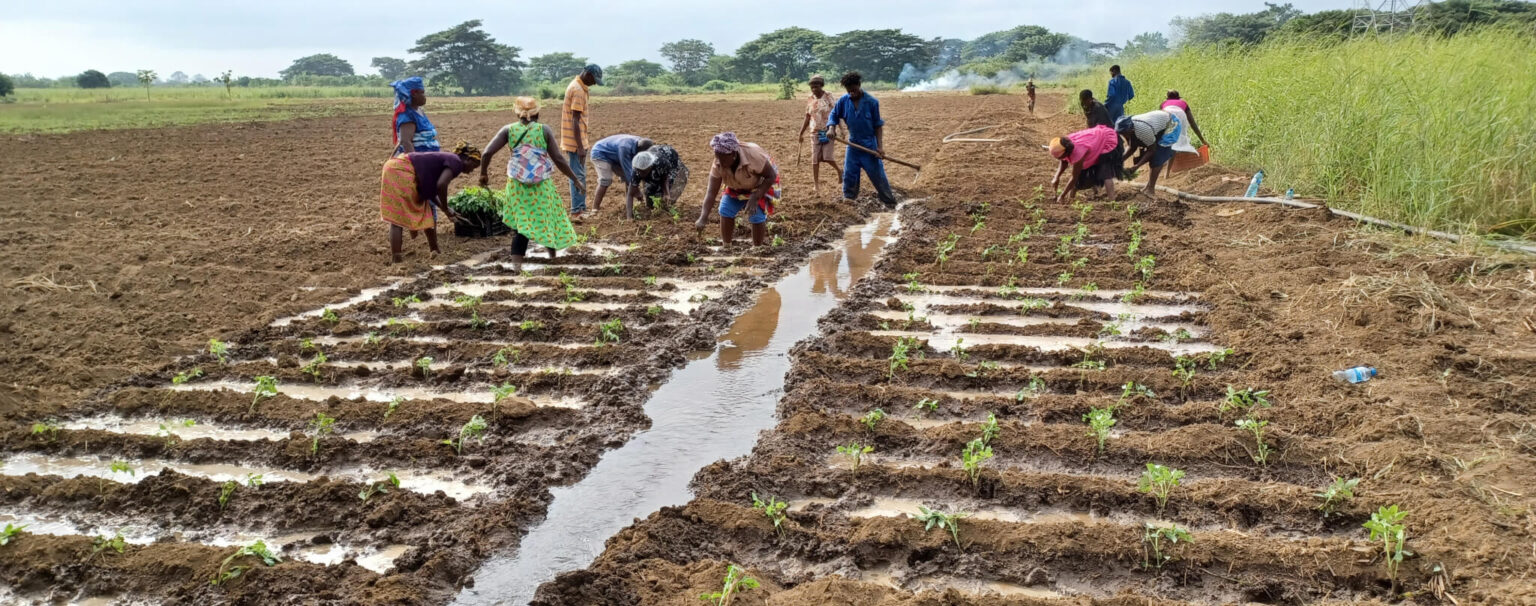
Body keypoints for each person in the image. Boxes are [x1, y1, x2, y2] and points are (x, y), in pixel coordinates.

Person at [477, 97, 583, 271]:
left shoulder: (508, 130)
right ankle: (552, 259)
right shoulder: (544, 130)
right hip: (541, 186)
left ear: (517, 113)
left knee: (522, 226)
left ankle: (516, 268)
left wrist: (483, 174)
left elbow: (487, 153)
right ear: (537, 113)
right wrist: (575, 179)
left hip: (517, 187)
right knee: (547, 219)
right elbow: (558, 159)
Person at [379, 141, 481, 263]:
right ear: (468, 159)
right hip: (401, 170)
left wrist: (446, 210)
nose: (471, 171)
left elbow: (431, 193)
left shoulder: (450, 160)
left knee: (426, 212)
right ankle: (397, 260)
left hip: (395, 167)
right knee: (397, 218)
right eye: (474, 166)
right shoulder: (456, 162)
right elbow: (441, 185)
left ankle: (435, 250)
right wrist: (445, 208)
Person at [825, 71, 897, 208]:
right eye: (849, 91)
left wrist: (879, 147)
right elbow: (834, 115)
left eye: (854, 90)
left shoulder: (872, 102)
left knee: (877, 175)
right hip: (852, 145)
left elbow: (878, 126)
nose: (852, 93)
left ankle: (889, 201)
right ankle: (849, 200)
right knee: (849, 173)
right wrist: (831, 128)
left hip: (869, 145)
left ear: (859, 85)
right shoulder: (843, 101)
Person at [695, 132, 780, 247]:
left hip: (760, 185)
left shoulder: (754, 155)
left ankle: (758, 249)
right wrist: (703, 217)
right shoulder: (718, 162)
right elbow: (711, 192)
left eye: (723, 159)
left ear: (733, 154)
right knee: (725, 209)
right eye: (717, 157)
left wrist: (756, 196)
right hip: (736, 186)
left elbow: (771, 176)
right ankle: (726, 246)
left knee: (756, 214)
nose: (719, 162)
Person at [1114, 108, 1197, 200]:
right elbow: (1132, 146)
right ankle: (1147, 187)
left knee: (1157, 158)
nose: (1123, 135)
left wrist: (1137, 166)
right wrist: (1118, 161)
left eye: (1124, 133)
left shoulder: (1142, 131)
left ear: (1131, 130)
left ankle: (1151, 189)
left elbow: (1151, 150)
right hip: (1158, 124)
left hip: (1171, 125)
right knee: (1153, 155)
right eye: (1120, 133)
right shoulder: (1128, 130)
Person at [561, 64, 603, 221]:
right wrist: (580, 147)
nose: (594, 84)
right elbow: (575, 120)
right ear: (588, 75)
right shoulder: (578, 90)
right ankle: (577, 211)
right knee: (577, 175)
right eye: (594, 80)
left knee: (579, 174)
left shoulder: (578, 87)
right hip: (575, 142)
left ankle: (581, 208)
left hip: (578, 140)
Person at [1049, 125, 1122, 204]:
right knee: (1082, 176)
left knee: (1105, 172)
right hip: (1093, 140)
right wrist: (1056, 176)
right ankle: (1071, 199)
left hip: (1105, 140)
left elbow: (1074, 178)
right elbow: (1064, 161)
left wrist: (1062, 196)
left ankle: (1112, 202)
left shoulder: (1078, 154)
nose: (1058, 159)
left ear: (1066, 152)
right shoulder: (1064, 143)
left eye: (1059, 157)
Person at [588, 134, 655, 219]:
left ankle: (629, 206)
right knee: (606, 180)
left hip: (615, 154)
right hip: (601, 153)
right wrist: (636, 190)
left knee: (629, 178)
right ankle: (595, 209)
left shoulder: (643, 143)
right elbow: (628, 171)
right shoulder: (625, 148)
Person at [798, 74, 842, 194]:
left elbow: (836, 113)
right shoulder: (810, 98)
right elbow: (807, 116)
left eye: (816, 86)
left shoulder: (828, 96)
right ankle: (816, 184)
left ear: (821, 86)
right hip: (814, 131)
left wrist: (840, 129)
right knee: (815, 159)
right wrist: (801, 133)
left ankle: (839, 171)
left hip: (828, 131)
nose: (814, 89)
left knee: (827, 157)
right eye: (812, 87)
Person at [390, 76, 440, 155]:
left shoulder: (419, 111)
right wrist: (418, 161)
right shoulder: (407, 115)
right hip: (417, 159)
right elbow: (406, 142)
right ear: (414, 94)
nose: (425, 96)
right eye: (422, 93)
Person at [632, 144, 689, 211]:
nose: (641, 174)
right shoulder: (637, 169)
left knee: (668, 197)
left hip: (671, 163)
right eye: (640, 172)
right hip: (656, 158)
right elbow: (631, 191)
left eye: (644, 172)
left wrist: (666, 193)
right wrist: (637, 191)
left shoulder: (661, 163)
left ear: (650, 167)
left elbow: (665, 178)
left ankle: (665, 208)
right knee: (650, 196)